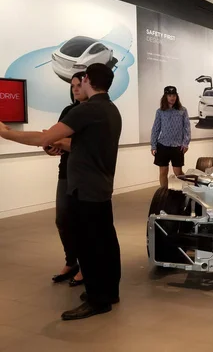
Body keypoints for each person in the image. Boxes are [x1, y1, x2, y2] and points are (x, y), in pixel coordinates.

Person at [0, 63, 122, 320]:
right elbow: (78, 143)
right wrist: (59, 143)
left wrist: (6, 133)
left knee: (89, 246)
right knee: (105, 241)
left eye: (81, 82)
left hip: (85, 189)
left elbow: (42, 138)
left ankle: (97, 299)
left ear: (87, 79)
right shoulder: (110, 109)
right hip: (100, 187)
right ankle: (109, 292)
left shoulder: (87, 110)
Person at [49, 71, 87, 288]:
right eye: (72, 85)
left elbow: (86, 145)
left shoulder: (93, 112)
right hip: (65, 171)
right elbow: (56, 138)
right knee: (62, 220)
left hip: (85, 173)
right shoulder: (68, 111)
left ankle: (85, 265)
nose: (75, 89)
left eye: (79, 85)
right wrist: (51, 147)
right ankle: (71, 261)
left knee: (82, 222)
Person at [150, 86, 191, 188]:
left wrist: (185, 143)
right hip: (163, 145)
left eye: (174, 95)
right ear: (165, 97)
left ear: (176, 96)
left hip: (177, 146)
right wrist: (153, 145)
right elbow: (156, 129)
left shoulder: (182, 110)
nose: (172, 98)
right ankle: (164, 194)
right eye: (169, 95)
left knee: (178, 172)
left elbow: (187, 128)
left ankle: (190, 191)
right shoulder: (160, 111)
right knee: (163, 172)